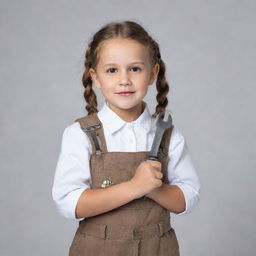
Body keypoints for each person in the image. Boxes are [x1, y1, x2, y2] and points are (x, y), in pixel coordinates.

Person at [52, 20, 201, 256]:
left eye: (135, 69)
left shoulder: (167, 135)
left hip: (158, 249)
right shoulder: (80, 135)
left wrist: (155, 189)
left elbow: (187, 198)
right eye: (112, 70)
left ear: (153, 74)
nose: (124, 80)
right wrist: (135, 187)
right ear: (96, 77)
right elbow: (70, 204)